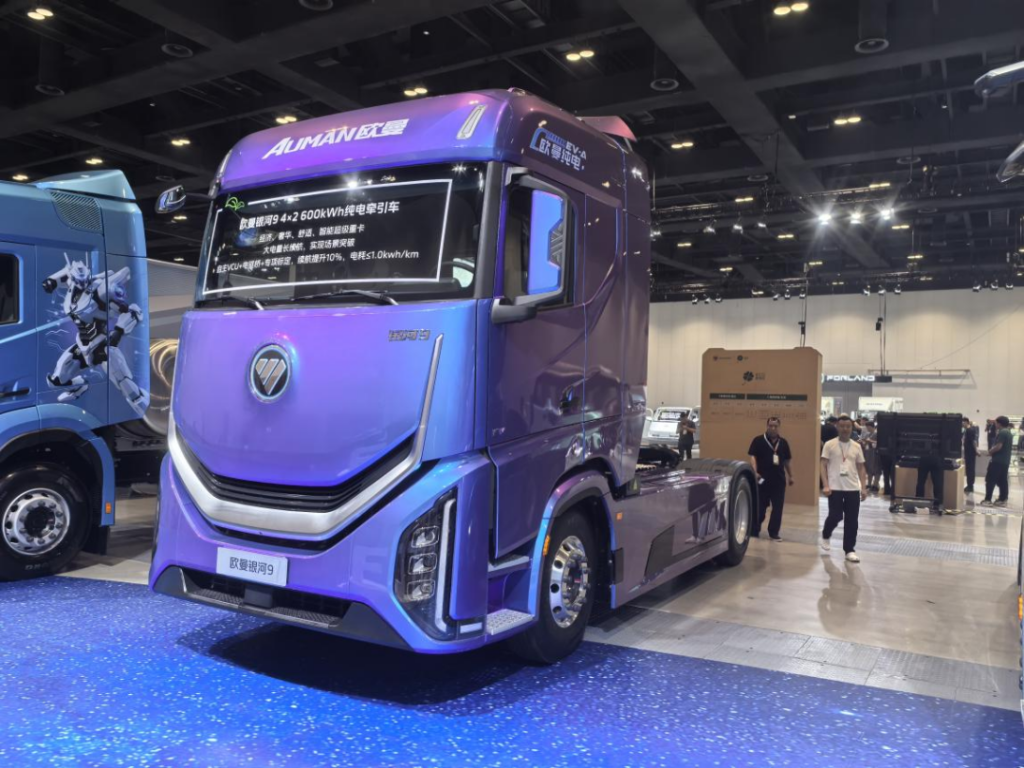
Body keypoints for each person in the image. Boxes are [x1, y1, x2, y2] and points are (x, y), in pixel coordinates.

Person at [821, 415, 868, 562]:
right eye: (842, 426)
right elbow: (822, 465)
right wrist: (825, 484)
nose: (845, 429)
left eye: (848, 426)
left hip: (852, 488)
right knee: (835, 516)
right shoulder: (829, 444)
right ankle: (826, 534)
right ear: (837, 427)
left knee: (852, 520)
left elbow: (861, 467)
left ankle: (849, 550)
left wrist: (863, 487)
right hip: (834, 488)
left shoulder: (856, 446)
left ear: (851, 428)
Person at [747, 416, 794, 541]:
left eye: (775, 426)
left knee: (777, 509)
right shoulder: (758, 440)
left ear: (779, 427)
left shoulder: (783, 443)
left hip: (779, 481)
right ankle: (754, 529)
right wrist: (755, 472)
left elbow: (787, 461)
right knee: (760, 508)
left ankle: (773, 532)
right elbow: (753, 457)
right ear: (767, 426)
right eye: (770, 426)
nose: (773, 428)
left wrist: (791, 476)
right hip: (762, 480)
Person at [981, 416, 1013, 507]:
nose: (995, 425)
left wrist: (989, 452)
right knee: (1002, 481)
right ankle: (1003, 499)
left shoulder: (1002, 432)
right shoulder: (1008, 432)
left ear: (999, 423)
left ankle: (988, 500)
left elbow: (998, 446)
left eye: (996, 423)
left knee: (990, 480)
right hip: (1005, 461)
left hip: (997, 461)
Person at [861, 420, 880, 491]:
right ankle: (869, 484)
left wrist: (870, 441)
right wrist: (863, 442)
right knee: (868, 468)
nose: (867, 429)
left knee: (876, 469)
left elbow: (878, 443)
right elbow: (864, 444)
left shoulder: (877, 434)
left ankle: (875, 484)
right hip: (868, 453)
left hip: (875, 453)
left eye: (868, 427)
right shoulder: (867, 434)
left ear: (871, 426)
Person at [962, 417, 978, 494]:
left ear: (966, 422)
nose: (962, 424)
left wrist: (976, 450)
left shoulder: (970, 430)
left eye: (963, 423)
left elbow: (973, 441)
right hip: (968, 452)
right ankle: (969, 485)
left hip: (970, 453)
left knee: (970, 470)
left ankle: (970, 486)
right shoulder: (967, 430)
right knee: (969, 469)